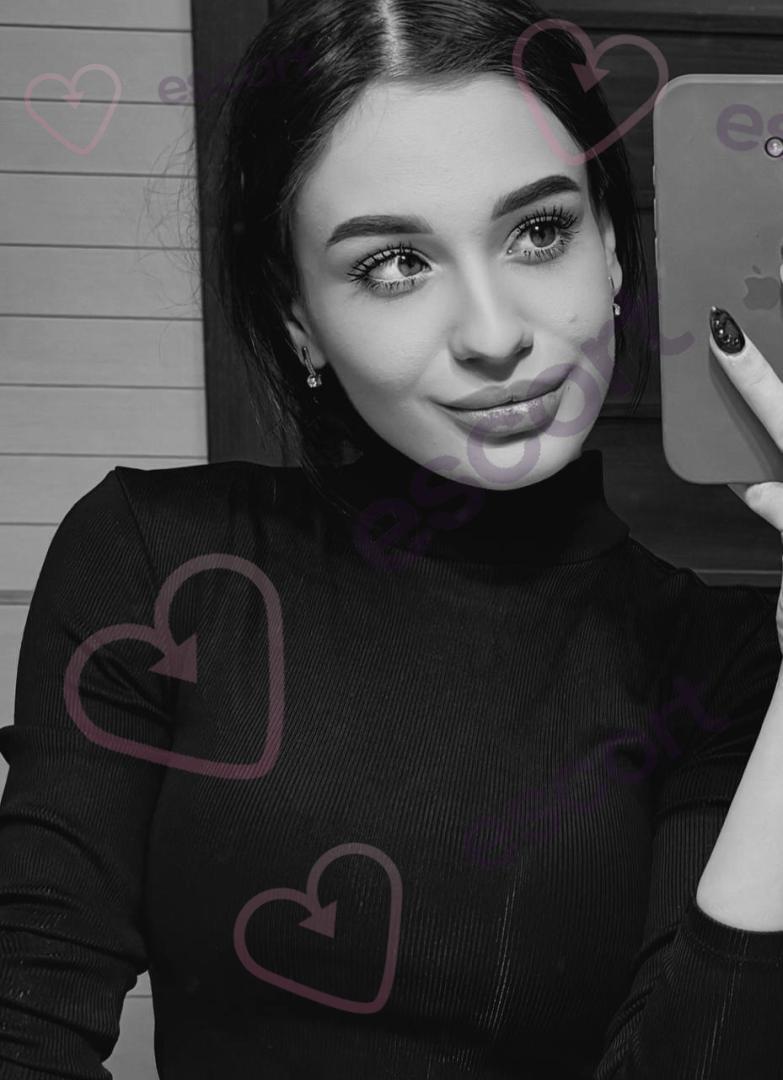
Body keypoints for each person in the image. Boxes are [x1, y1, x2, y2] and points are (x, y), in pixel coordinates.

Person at [2, 0, 783, 1076]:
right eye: (396, 263)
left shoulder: (725, 662)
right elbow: (27, 1019)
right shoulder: (159, 562)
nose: (495, 336)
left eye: (539, 232)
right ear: (298, 319)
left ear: (610, 246)